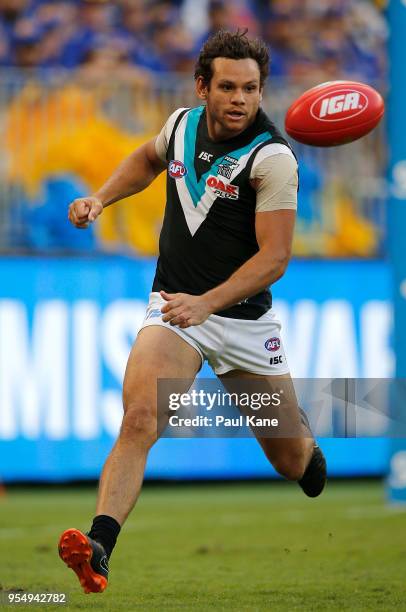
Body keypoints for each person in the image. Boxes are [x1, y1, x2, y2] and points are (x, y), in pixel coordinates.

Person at [58, 29, 327, 594]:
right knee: (139, 419)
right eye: (227, 86)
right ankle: (99, 546)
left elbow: (275, 259)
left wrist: (207, 302)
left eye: (251, 89)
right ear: (202, 87)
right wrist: (101, 198)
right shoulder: (180, 126)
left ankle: (305, 447)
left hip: (244, 324)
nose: (239, 99)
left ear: (261, 91)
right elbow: (147, 158)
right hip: (174, 309)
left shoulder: (273, 157)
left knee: (290, 461)